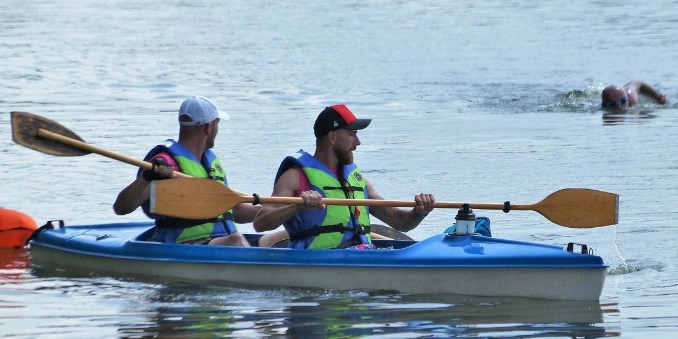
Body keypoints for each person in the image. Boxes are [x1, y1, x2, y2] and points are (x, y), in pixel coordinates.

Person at [252, 104, 436, 249]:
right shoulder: (294, 177)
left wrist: (419, 212)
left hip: (361, 254)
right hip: (318, 263)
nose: (358, 142)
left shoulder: (356, 179)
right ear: (332, 137)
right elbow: (260, 223)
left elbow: (399, 222)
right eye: (352, 134)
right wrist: (296, 207)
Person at [113, 96, 264, 247]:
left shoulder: (210, 163)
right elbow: (122, 208)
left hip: (222, 243)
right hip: (186, 246)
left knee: (281, 239)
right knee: (236, 240)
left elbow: (233, 210)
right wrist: (146, 178)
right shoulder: (165, 165)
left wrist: (272, 210)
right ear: (208, 127)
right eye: (217, 124)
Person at [601, 80, 667, 111]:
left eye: (623, 102)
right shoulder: (604, 107)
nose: (617, 107)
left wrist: (658, 97)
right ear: (603, 105)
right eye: (612, 105)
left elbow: (638, 83)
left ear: (625, 100)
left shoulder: (632, 98)